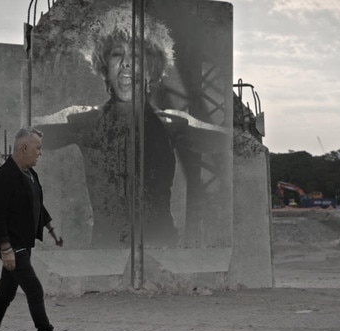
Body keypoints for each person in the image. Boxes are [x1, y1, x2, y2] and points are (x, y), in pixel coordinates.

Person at [35, 4, 228, 248]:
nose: (126, 62)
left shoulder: (171, 123)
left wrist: (246, 136)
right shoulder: (84, 120)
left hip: (160, 249)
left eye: (136, 56)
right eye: (117, 54)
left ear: (150, 70)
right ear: (105, 67)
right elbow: (24, 131)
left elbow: (227, 143)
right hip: (106, 252)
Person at [0, 127, 84, 331]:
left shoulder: (30, 174)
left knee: (6, 293)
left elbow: (36, 204)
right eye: (37, 148)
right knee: (34, 290)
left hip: (23, 243)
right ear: (23, 148)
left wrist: (52, 230)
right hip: (12, 245)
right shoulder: (3, 177)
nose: (40, 153)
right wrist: (5, 249)